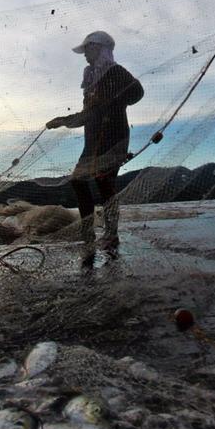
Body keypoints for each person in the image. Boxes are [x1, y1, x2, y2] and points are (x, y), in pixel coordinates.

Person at [46, 31, 144, 262]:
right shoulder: (90, 78)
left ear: (99, 48)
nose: (85, 55)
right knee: (78, 181)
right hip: (92, 141)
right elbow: (86, 115)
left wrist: (116, 100)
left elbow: (137, 93)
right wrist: (62, 121)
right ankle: (87, 231)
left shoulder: (115, 71)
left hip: (114, 136)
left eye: (88, 49)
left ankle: (111, 234)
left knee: (104, 180)